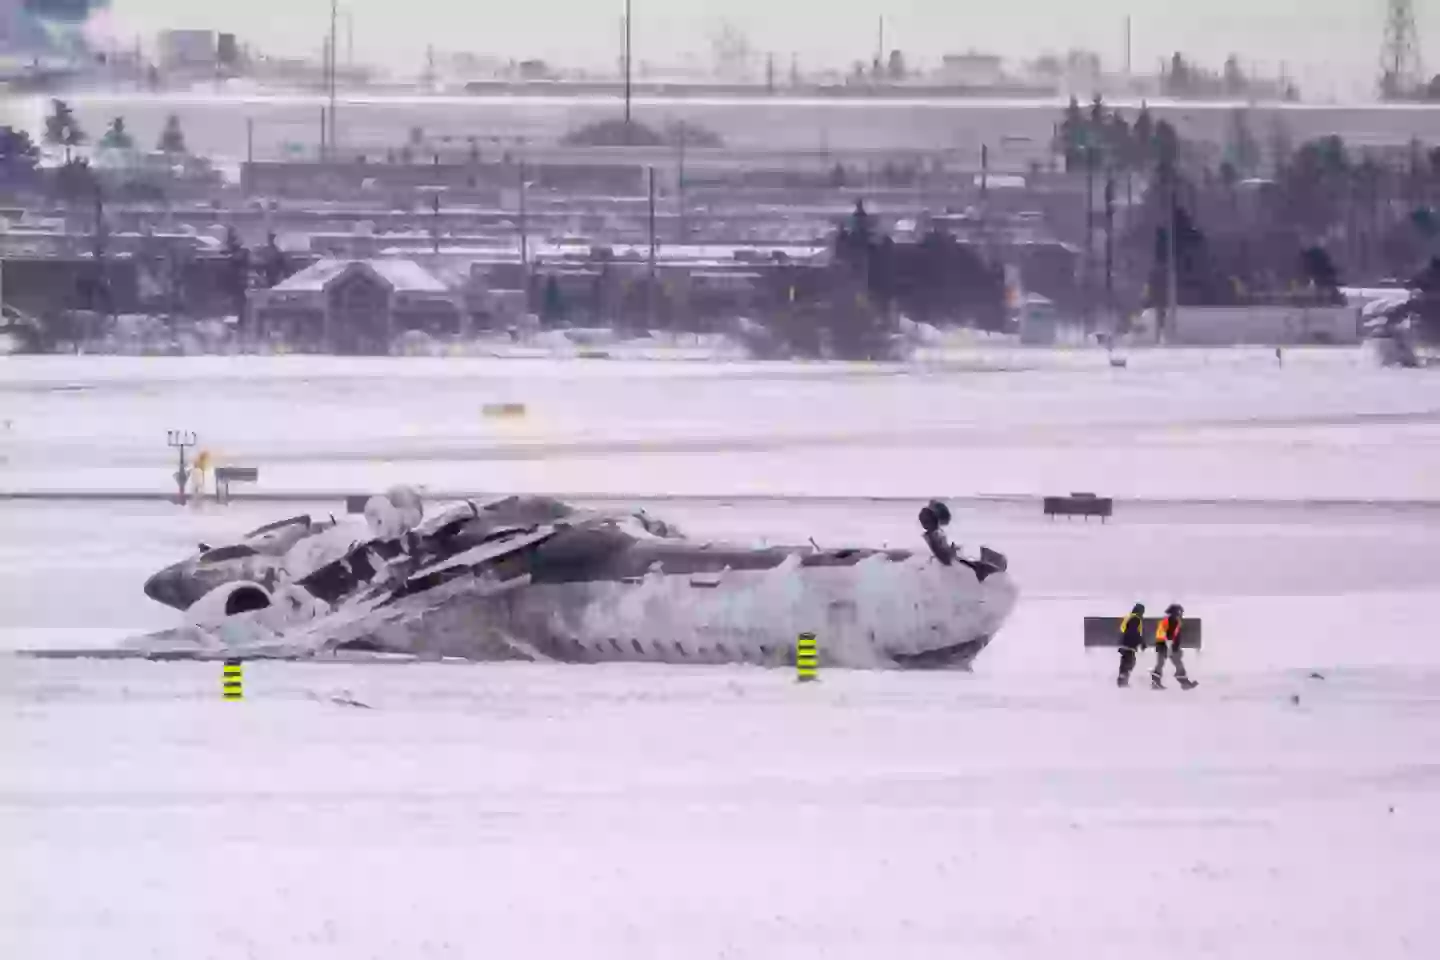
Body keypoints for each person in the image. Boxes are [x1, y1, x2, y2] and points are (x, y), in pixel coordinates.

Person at [1152, 603, 1198, 690]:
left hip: (1164, 645)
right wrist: (1171, 648)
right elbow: (1169, 635)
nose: (1181, 614)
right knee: (1176, 664)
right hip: (1167, 646)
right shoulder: (1172, 621)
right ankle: (1184, 683)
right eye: (1180, 612)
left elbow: (1170, 635)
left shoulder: (1169, 620)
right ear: (1176, 612)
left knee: (1162, 664)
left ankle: (1156, 683)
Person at [1117, 602, 1146, 687]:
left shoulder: (1130, 617)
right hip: (1129, 645)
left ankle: (1122, 681)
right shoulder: (1135, 619)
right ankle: (1122, 682)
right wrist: (1141, 642)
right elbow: (1134, 632)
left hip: (1125, 643)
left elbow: (1125, 630)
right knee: (1129, 662)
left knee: (1126, 662)